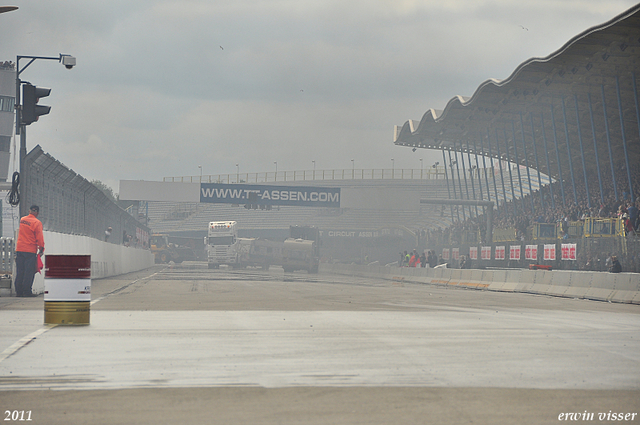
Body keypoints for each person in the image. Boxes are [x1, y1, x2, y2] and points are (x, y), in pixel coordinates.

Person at [14, 205, 45, 297]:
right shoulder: (37, 222)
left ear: (29, 211)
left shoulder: (22, 220)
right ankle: (27, 292)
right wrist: (41, 248)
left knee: (20, 271)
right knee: (29, 272)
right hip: (30, 250)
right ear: (37, 213)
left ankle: (18, 292)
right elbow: (39, 237)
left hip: (19, 249)